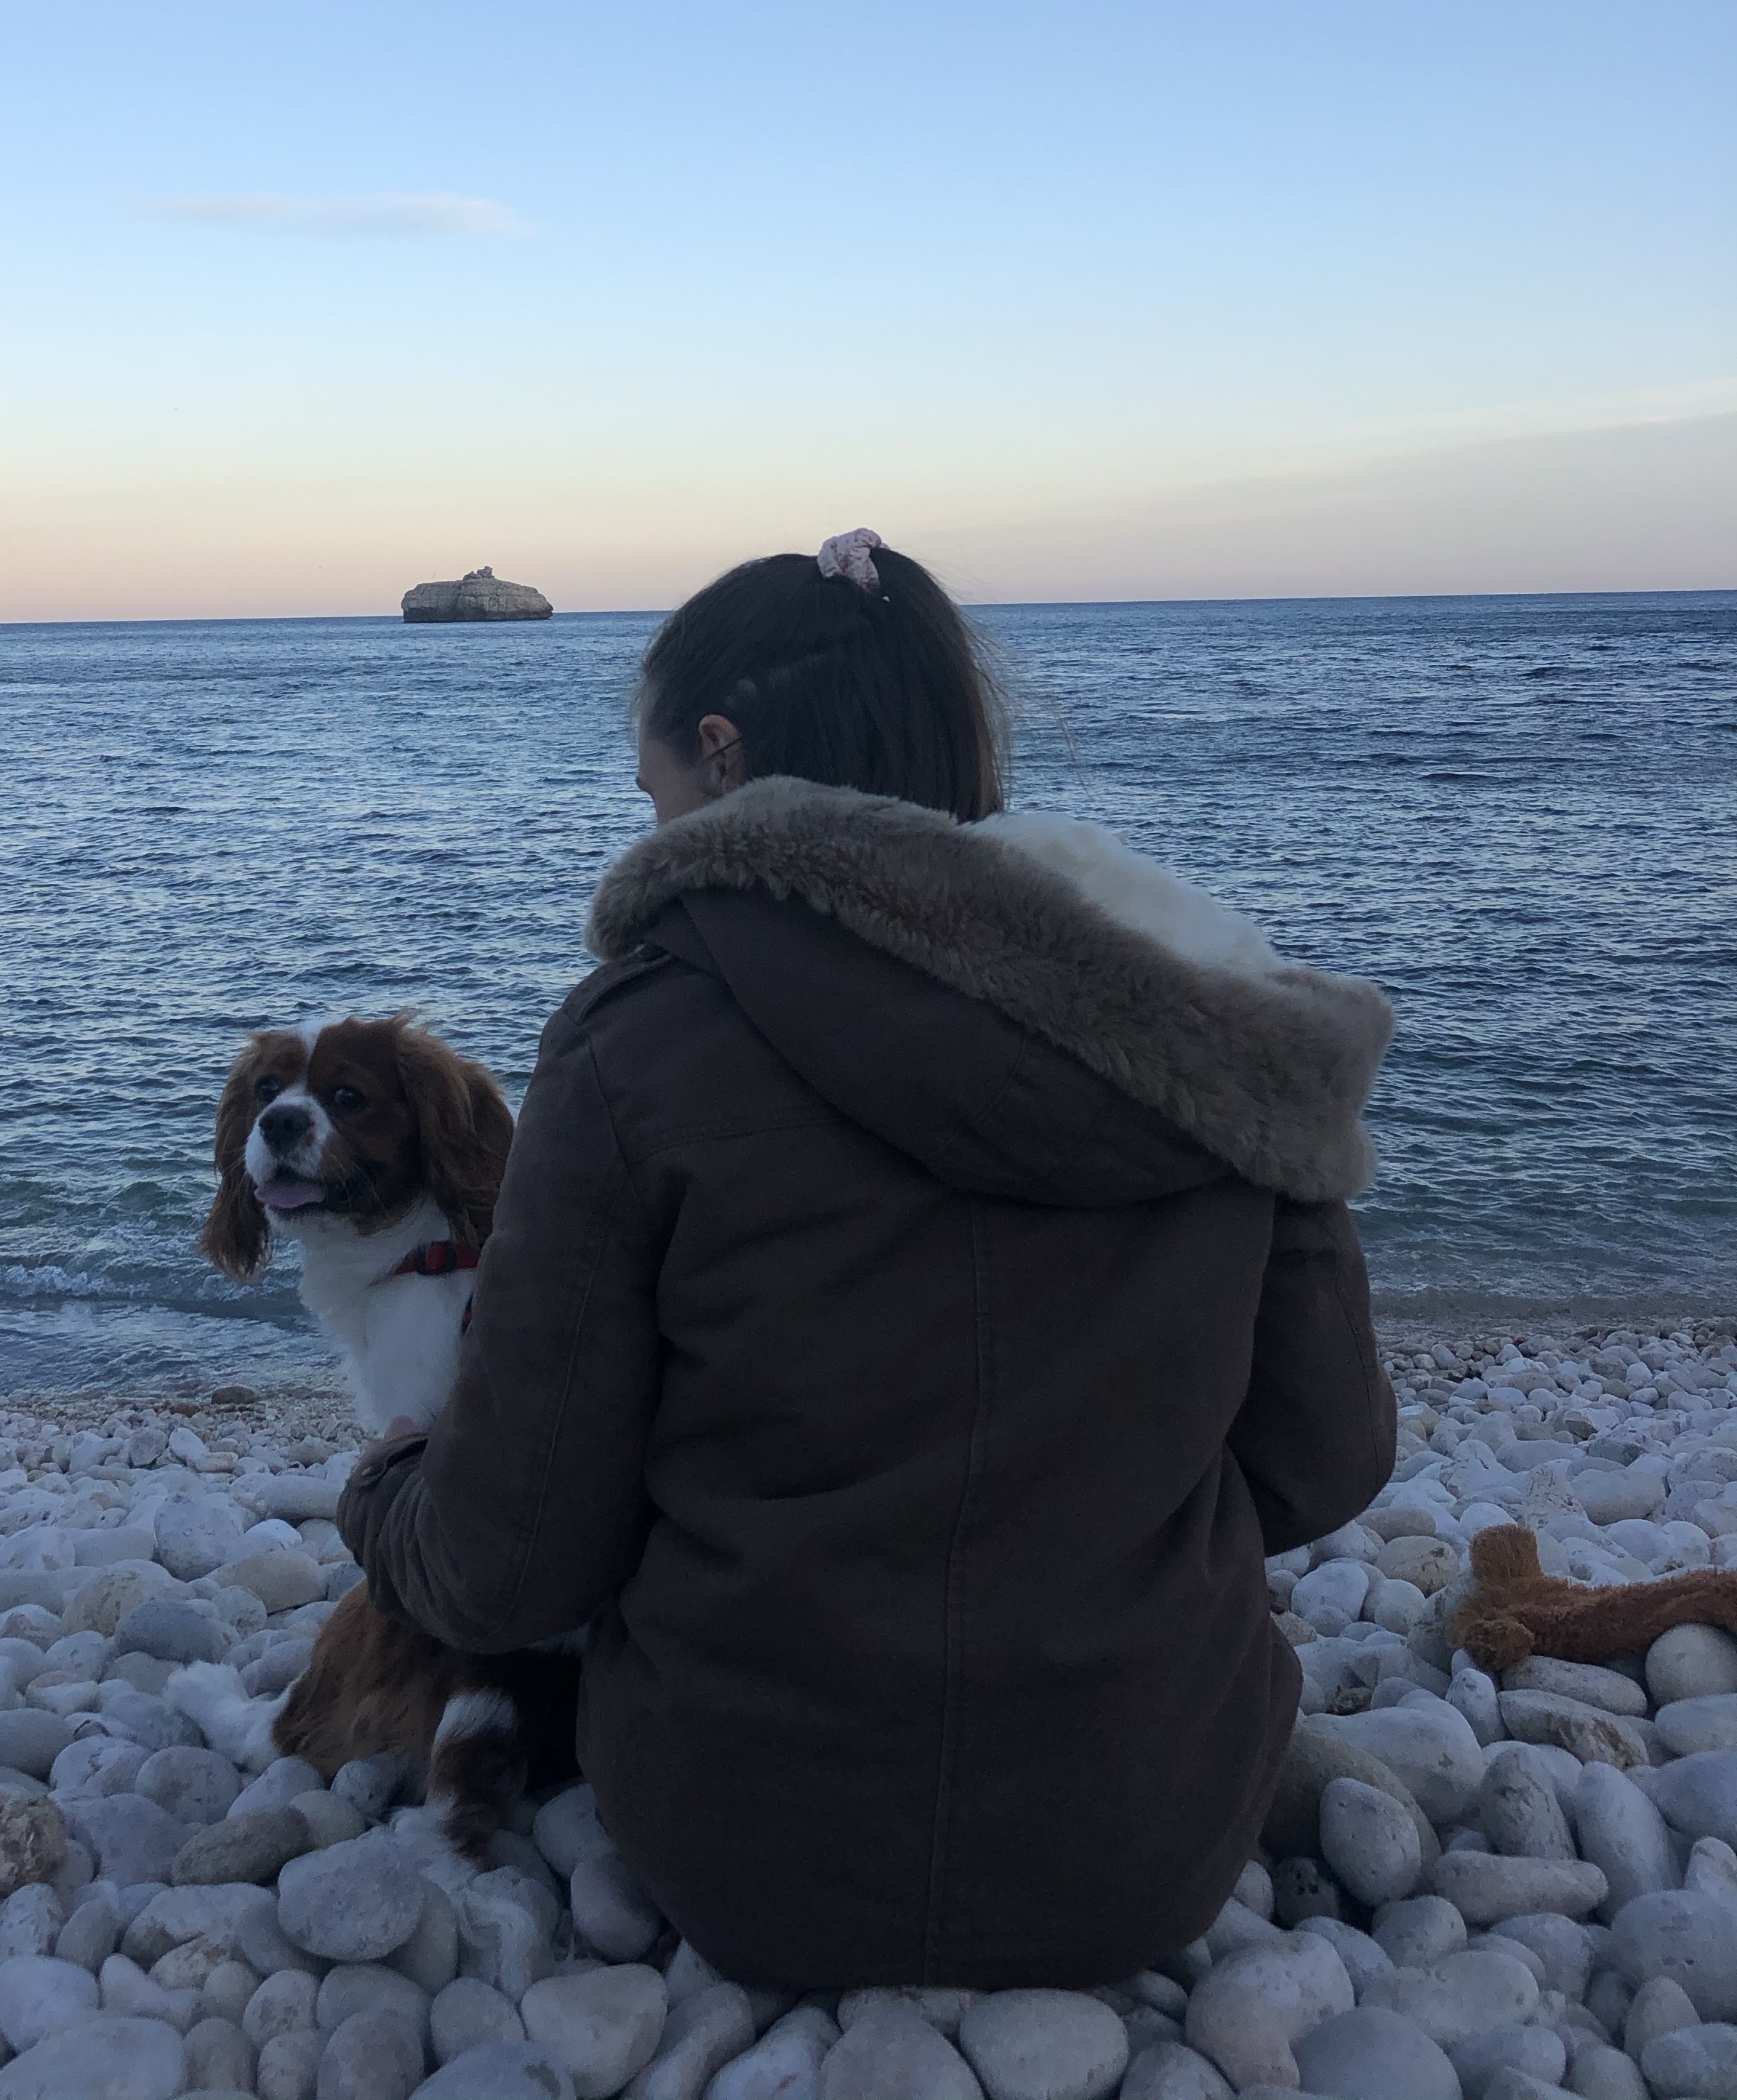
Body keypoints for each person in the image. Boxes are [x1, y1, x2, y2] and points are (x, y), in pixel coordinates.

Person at [337, 530, 1396, 1989]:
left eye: (644, 783)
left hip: (749, 1848)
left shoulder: (636, 1040)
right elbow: (1325, 1460)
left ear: (718, 754)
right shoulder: (1211, 1028)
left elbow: (519, 1556)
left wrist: (387, 1498)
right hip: (1145, 1848)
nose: (640, 822)